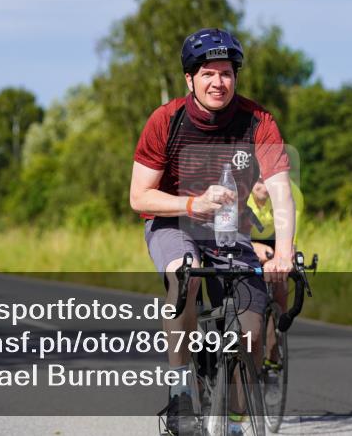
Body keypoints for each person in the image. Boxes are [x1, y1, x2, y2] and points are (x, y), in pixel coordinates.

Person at [130, 27, 297, 436]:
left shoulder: (258, 121)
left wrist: (283, 254)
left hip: (229, 230)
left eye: (225, 73)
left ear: (235, 77)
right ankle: (181, 394)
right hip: (173, 220)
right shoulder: (165, 121)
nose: (218, 82)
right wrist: (192, 204)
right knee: (182, 273)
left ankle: (238, 423)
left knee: (251, 335)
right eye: (207, 74)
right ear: (189, 79)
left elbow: (280, 191)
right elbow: (140, 197)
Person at [247, 176, 303, 399]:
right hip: (245, 241)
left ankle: (272, 359)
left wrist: (283, 260)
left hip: (277, 241)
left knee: (279, 285)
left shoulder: (292, 193)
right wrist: (253, 249)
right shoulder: (238, 190)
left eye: (268, 180)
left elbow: (290, 241)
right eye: (257, 179)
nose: (263, 186)